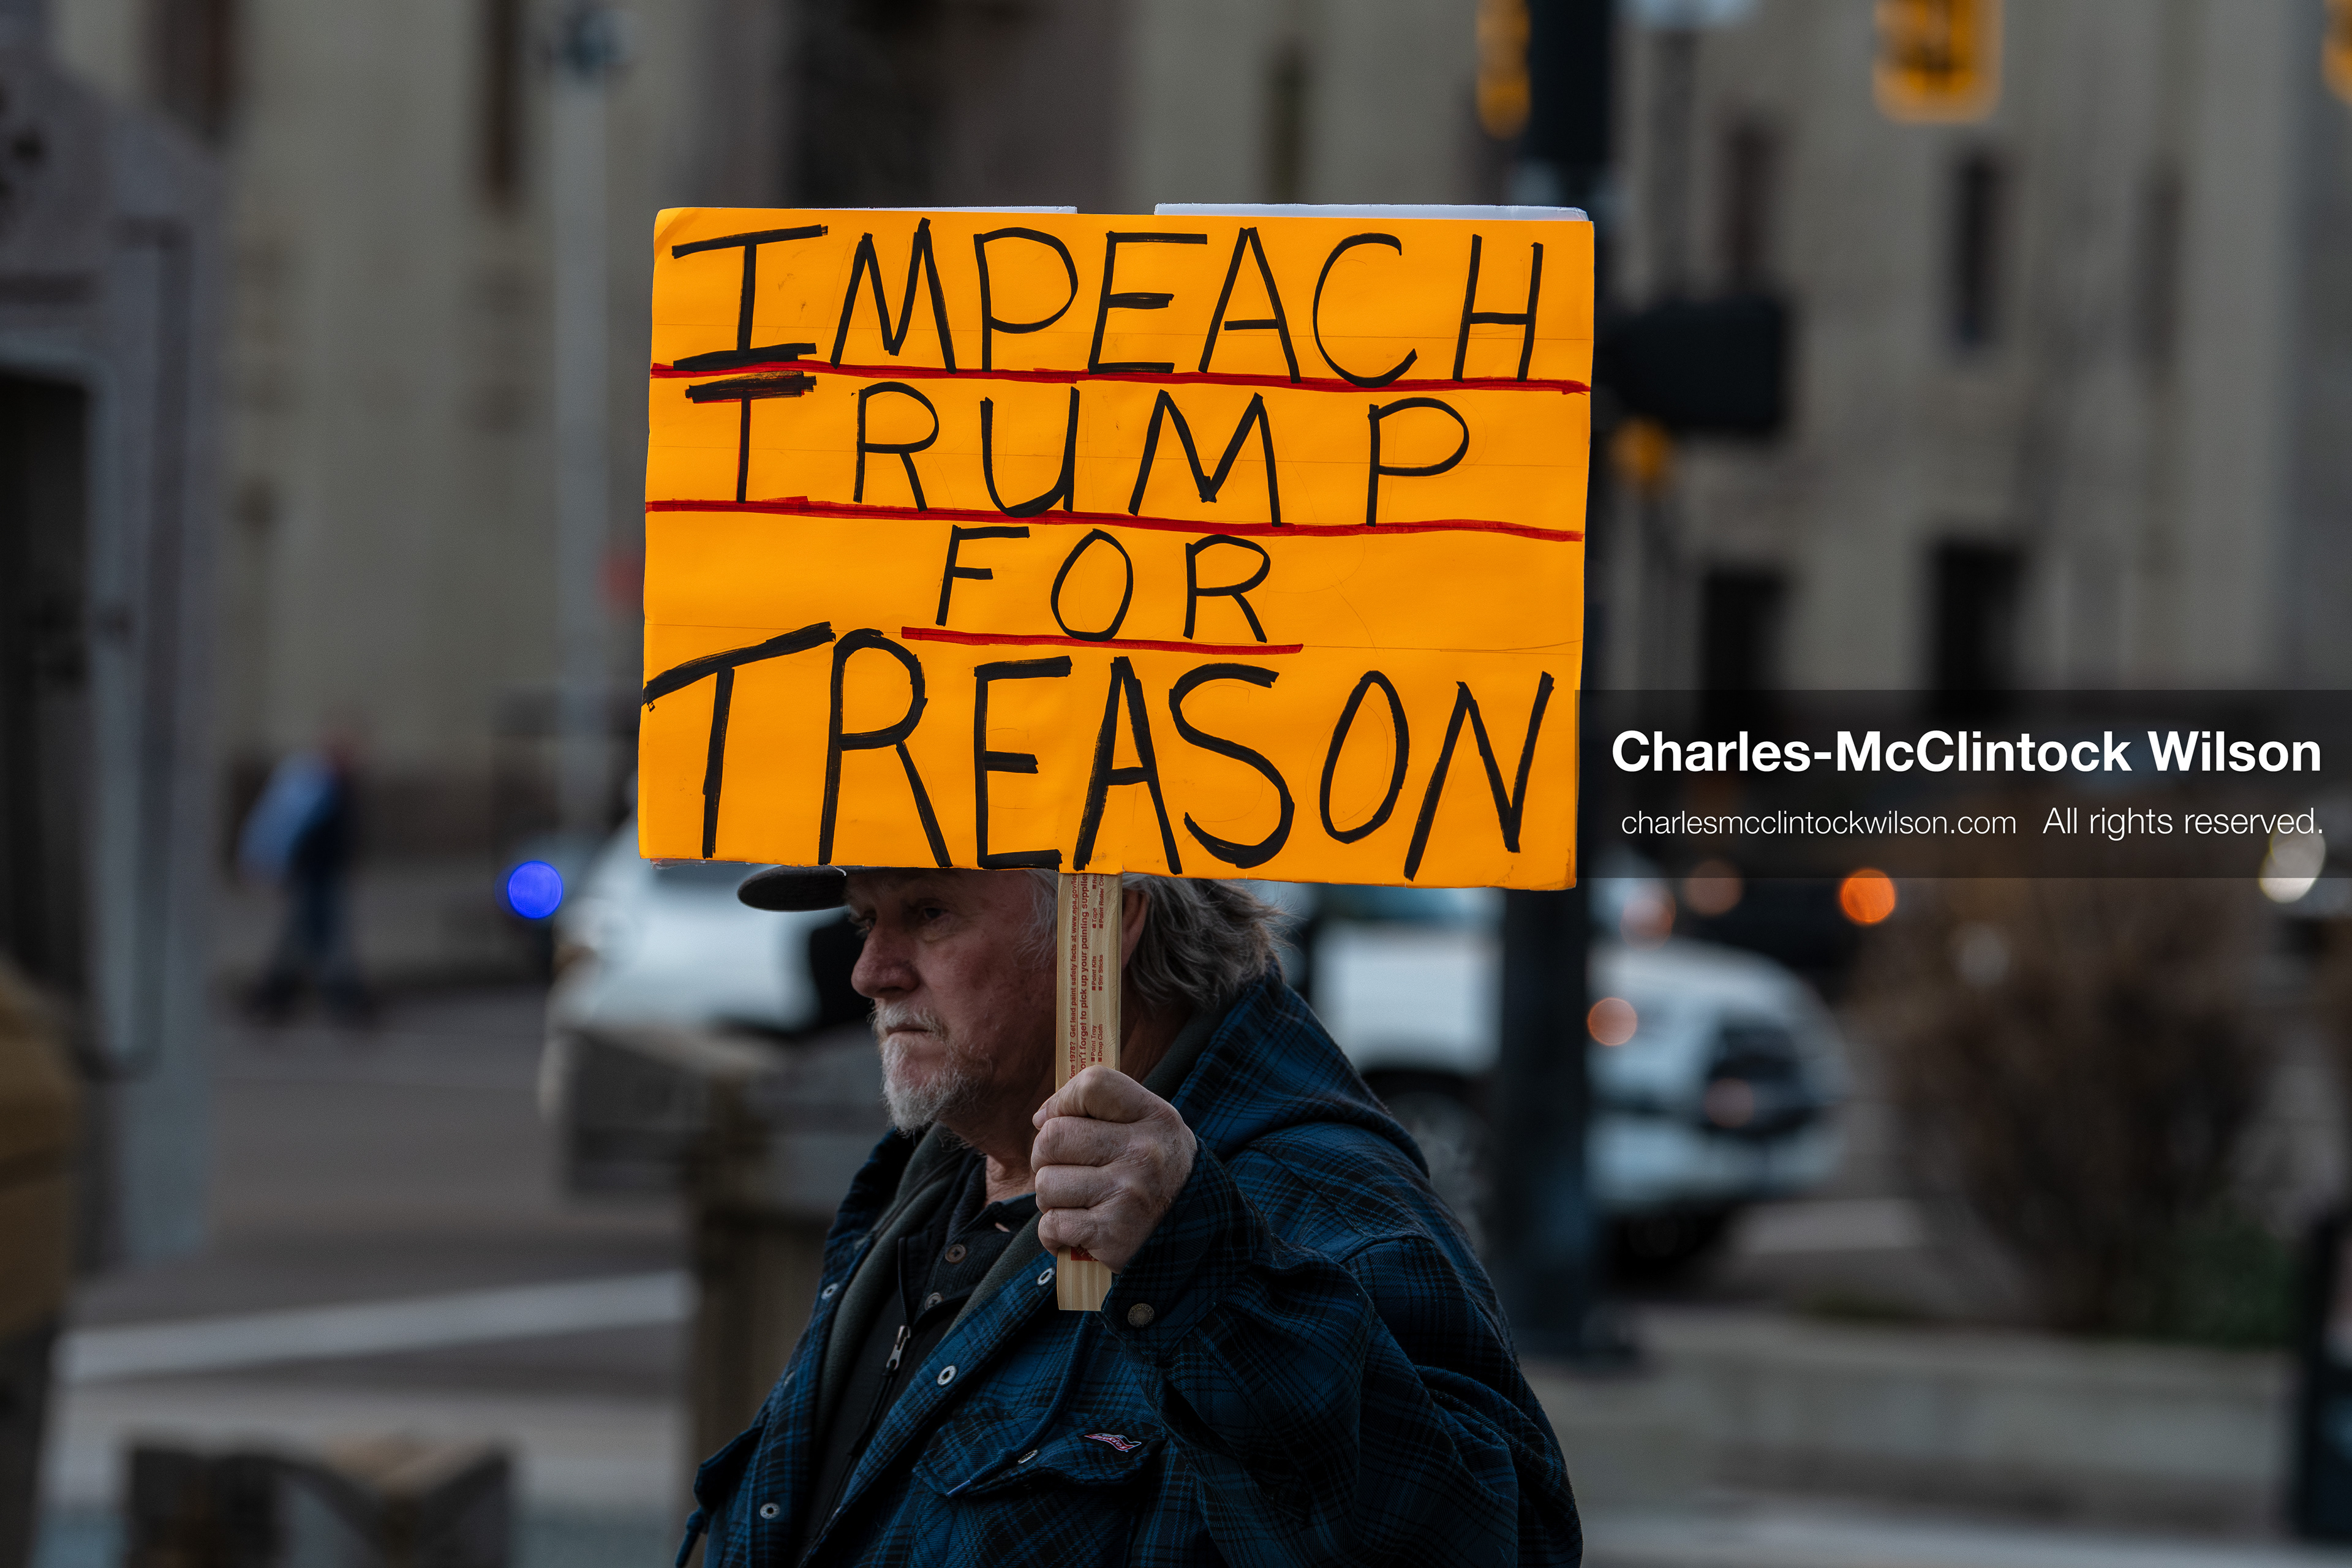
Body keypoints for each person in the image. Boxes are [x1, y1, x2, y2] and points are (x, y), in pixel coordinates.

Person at [679, 864, 1580, 1567]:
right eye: (865, 919)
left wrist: (1203, 1280)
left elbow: (1486, 1546)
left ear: (1103, 919)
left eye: (929, 913)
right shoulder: (928, 1180)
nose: (872, 971)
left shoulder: (1323, 1211)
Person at [239, 738, 368, 1022]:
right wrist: (267, 864)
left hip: (324, 874)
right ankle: (343, 1000)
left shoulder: (334, 785)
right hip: (312, 874)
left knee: (306, 936)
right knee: (320, 937)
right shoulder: (311, 785)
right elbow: (282, 826)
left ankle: (276, 997)